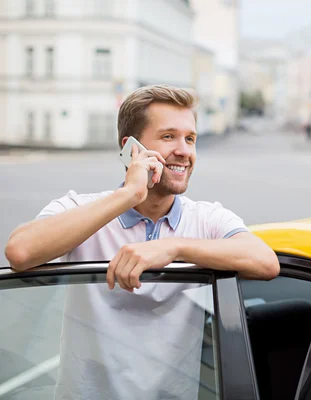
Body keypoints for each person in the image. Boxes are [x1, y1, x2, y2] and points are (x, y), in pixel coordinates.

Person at [4, 84, 280, 399]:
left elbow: (265, 262)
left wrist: (173, 248)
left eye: (190, 138)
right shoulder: (83, 209)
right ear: (130, 149)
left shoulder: (207, 219)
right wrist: (129, 194)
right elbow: (20, 251)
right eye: (168, 137)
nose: (184, 151)